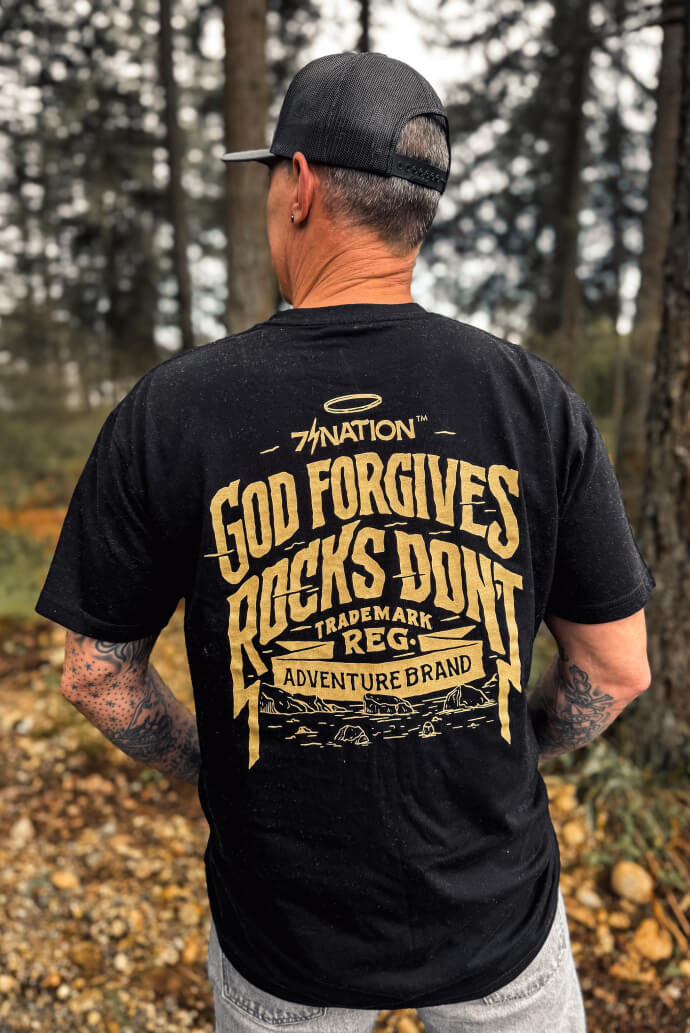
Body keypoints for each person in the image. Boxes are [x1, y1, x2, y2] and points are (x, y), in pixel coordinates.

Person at [37, 51, 654, 1033]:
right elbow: (616, 669)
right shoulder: (532, 399)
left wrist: (209, 763)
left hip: (286, 936)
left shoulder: (175, 408)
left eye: (271, 179)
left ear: (301, 186)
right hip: (497, 920)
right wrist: (503, 750)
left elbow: (96, 674)